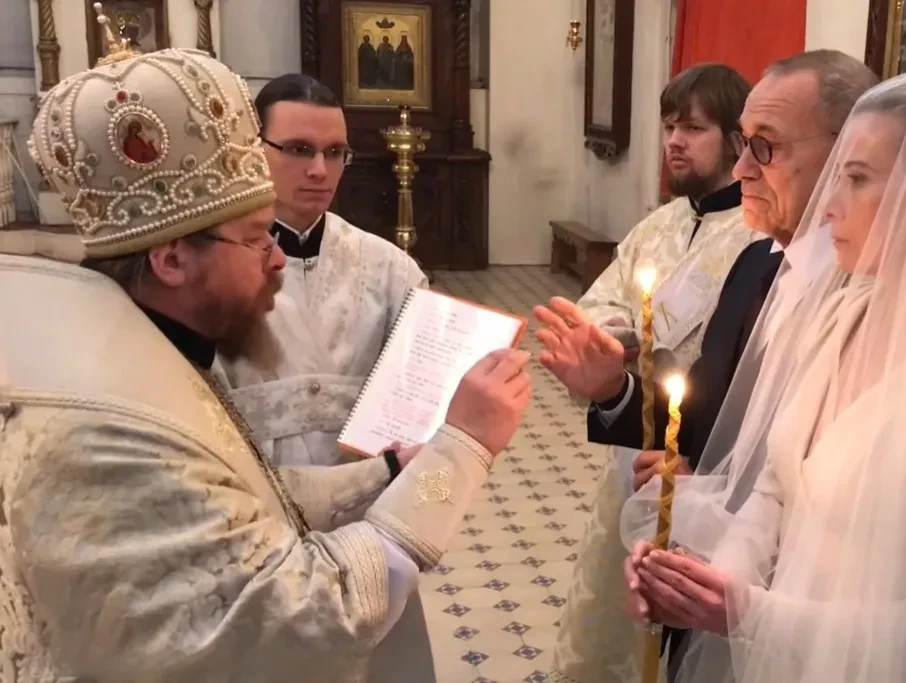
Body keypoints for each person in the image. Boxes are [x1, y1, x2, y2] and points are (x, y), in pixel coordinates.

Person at [0, 46, 529, 682]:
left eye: (334, 153)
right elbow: (311, 616)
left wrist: (389, 468)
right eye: (256, 240)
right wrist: (464, 448)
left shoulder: (137, 350)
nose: (279, 258)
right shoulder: (118, 429)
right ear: (171, 260)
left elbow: (257, 495)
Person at [621, 60, 906, 683]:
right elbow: (776, 489)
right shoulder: (844, 314)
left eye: (855, 179)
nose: (828, 205)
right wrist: (710, 585)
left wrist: (750, 612)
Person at [538, 50, 879, 682]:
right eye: (744, 144)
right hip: (710, 577)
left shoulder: (874, 297)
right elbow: (705, 414)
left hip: (804, 607)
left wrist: (716, 506)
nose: (743, 167)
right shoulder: (757, 265)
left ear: (846, 153)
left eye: (764, 147)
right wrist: (615, 393)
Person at [540, 62, 757, 683]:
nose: (674, 143)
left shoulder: (757, 232)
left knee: (684, 615)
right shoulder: (658, 225)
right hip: (633, 447)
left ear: (736, 138)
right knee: (616, 613)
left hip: (704, 459)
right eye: (669, 127)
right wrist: (614, 337)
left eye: (693, 128)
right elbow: (600, 303)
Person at [213, 73, 427, 468]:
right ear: (253, 150)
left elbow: (420, 399)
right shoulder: (213, 268)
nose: (319, 170)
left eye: (334, 152)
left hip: (370, 487)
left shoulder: (391, 270)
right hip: (252, 486)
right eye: (299, 149)